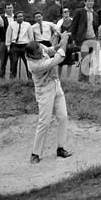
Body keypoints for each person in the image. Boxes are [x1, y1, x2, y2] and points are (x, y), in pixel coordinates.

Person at [26, 33, 72, 164]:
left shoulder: (38, 47)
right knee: (44, 122)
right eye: (38, 54)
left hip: (56, 85)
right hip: (44, 91)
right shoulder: (34, 66)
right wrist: (64, 40)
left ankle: (61, 148)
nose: (41, 54)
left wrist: (59, 43)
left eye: (41, 51)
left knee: (63, 117)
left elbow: (51, 50)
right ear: (30, 56)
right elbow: (59, 58)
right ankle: (35, 154)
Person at [71, 0, 99, 83]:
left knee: (89, 60)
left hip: (92, 39)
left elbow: (95, 27)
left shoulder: (95, 14)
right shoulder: (79, 11)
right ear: (85, 2)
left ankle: (84, 79)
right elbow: (74, 26)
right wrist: (74, 38)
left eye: (92, 1)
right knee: (85, 59)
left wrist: (96, 37)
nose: (91, 2)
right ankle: (82, 80)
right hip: (83, 39)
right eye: (89, 1)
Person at [5, 11, 33, 80]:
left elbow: (31, 37)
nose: (21, 18)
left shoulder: (27, 25)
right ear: (15, 18)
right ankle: (12, 80)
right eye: (19, 16)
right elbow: (8, 36)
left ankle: (30, 80)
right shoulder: (11, 24)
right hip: (15, 46)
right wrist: (8, 47)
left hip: (25, 46)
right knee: (13, 64)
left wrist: (30, 47)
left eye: (22, 16)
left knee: (28, 63)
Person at [57, 8, 74, 79]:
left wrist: (70, 34)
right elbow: (57, 32)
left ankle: (68, 78)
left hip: (70, 42)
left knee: (70, 62)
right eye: (65, 12)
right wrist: (61, 34)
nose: (67, 13)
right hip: (62, 43)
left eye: (68, 11)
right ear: (62, 14)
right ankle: (59, 78)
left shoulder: (73, 20)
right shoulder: (60, 21)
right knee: (60, 62)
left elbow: (75, 30)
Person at [0, 3, 15, 79]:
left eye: (11, 7)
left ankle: (12, 79)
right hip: (3, 42)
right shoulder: (1, 17)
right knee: (3, 61)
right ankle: (2, 79)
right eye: (8, 8)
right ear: (5, 9)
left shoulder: (16, 17)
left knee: (13, 61)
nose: (10, 9)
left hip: (14, 43)